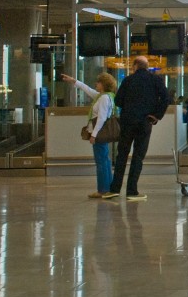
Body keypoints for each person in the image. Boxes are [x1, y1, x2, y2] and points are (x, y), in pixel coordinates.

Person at [108, 56, 170, 201]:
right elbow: (166, 98)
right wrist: (156, 115)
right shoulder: (156, 80)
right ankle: (132, 191)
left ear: (135, 66)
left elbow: (118, 101)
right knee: (138, 156)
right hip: (145, 122)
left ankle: (115, 189)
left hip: (127, 122)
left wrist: (130, 107)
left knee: (122, 155)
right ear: (147, 66)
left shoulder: (128, 80)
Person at [62, 72, 118, 198]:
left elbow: (102, 117)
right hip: (103, 131)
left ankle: (103, 190)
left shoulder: (103, 98)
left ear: (103, 84)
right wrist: (73, 80)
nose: (96, 84)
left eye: (98, 82)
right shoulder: (105, 96)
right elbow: (87, 89)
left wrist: (94, 134)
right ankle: (109, 187)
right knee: (105, 160)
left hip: (100, 132)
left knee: (101, 161)